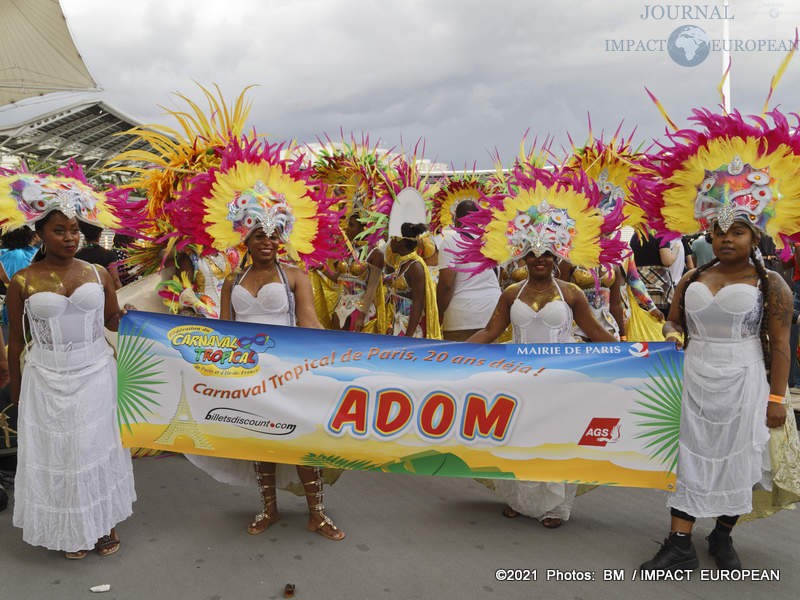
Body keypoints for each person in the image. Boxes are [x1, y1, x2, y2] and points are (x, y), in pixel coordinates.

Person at [634, 107, 800, 572]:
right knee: (691, 454)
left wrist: (776, 398)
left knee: (737, 458)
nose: (726, 239)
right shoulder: (691, 279)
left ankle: (723, 535)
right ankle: (678, 543)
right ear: (708, 233)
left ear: (755, 236)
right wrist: (671, 333)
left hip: (745, 377)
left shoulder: (773, 286)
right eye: (719, 231)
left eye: (738, 231)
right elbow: (674, 324)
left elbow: (781, 345)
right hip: (695, 377)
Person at [460, 165, 623, 528]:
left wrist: (637, 356)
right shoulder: (509, 294)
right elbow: (489, 332)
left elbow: (597, 334)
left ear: (558, 257)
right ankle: (520, 499)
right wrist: (449, 355)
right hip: (519, 379)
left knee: (555, 440)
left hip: (561, 380)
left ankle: (555, 507)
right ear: (521, 256)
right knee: (520, 437)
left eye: (546, 254)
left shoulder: (571, 294)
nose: (539, 261)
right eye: (532, 255)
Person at [2, 168, 136, 560]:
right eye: (60, 230)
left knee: (96, 448)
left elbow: (112, 320)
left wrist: (127, 316)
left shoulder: (97, 273)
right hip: (46, 377)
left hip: (96, 373)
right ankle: (71, 528)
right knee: (61, 454)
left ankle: (104, 521)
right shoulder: (23, 280)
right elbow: (16, 341)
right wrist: (18, 388)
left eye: (75, 230)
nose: (70, 238)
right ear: (39, 234)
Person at [218, 225, 345, 541]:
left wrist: (339, 354)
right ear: (245, 239)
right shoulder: (232, 281)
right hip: (249, 375)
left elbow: (310, 322)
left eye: (273, 235)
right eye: (259, 235)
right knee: (262, 442)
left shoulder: (294, 275)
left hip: (288, 372)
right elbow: (223, 331)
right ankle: (269, 508)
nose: (267, 242)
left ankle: (317, 513)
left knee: (301, 441)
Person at [437, 200, 501, 341]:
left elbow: (446, 285)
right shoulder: (490, 241)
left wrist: (438, 312)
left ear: (456, 219)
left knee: (461, 360)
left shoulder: (450, 241)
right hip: (493, 315)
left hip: (462, 317)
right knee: (492, 361)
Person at [75, 221, 123, 289]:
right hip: (106, 295)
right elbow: (115, 281)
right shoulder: (110, 255)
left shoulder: (76, 257)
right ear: (100, 234)